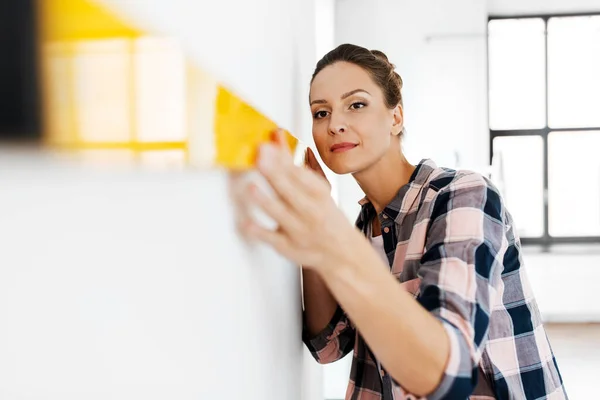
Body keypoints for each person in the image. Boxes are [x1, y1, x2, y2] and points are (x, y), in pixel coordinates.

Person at [237, 43, 567, 399]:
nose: (335, 125)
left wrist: (330, 233)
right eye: (321, 113)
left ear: (396, 118)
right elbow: (327, 347)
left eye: (357, 105)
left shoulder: (463, 195)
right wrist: (315, 226)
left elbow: (449, 371)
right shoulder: (364, 228)